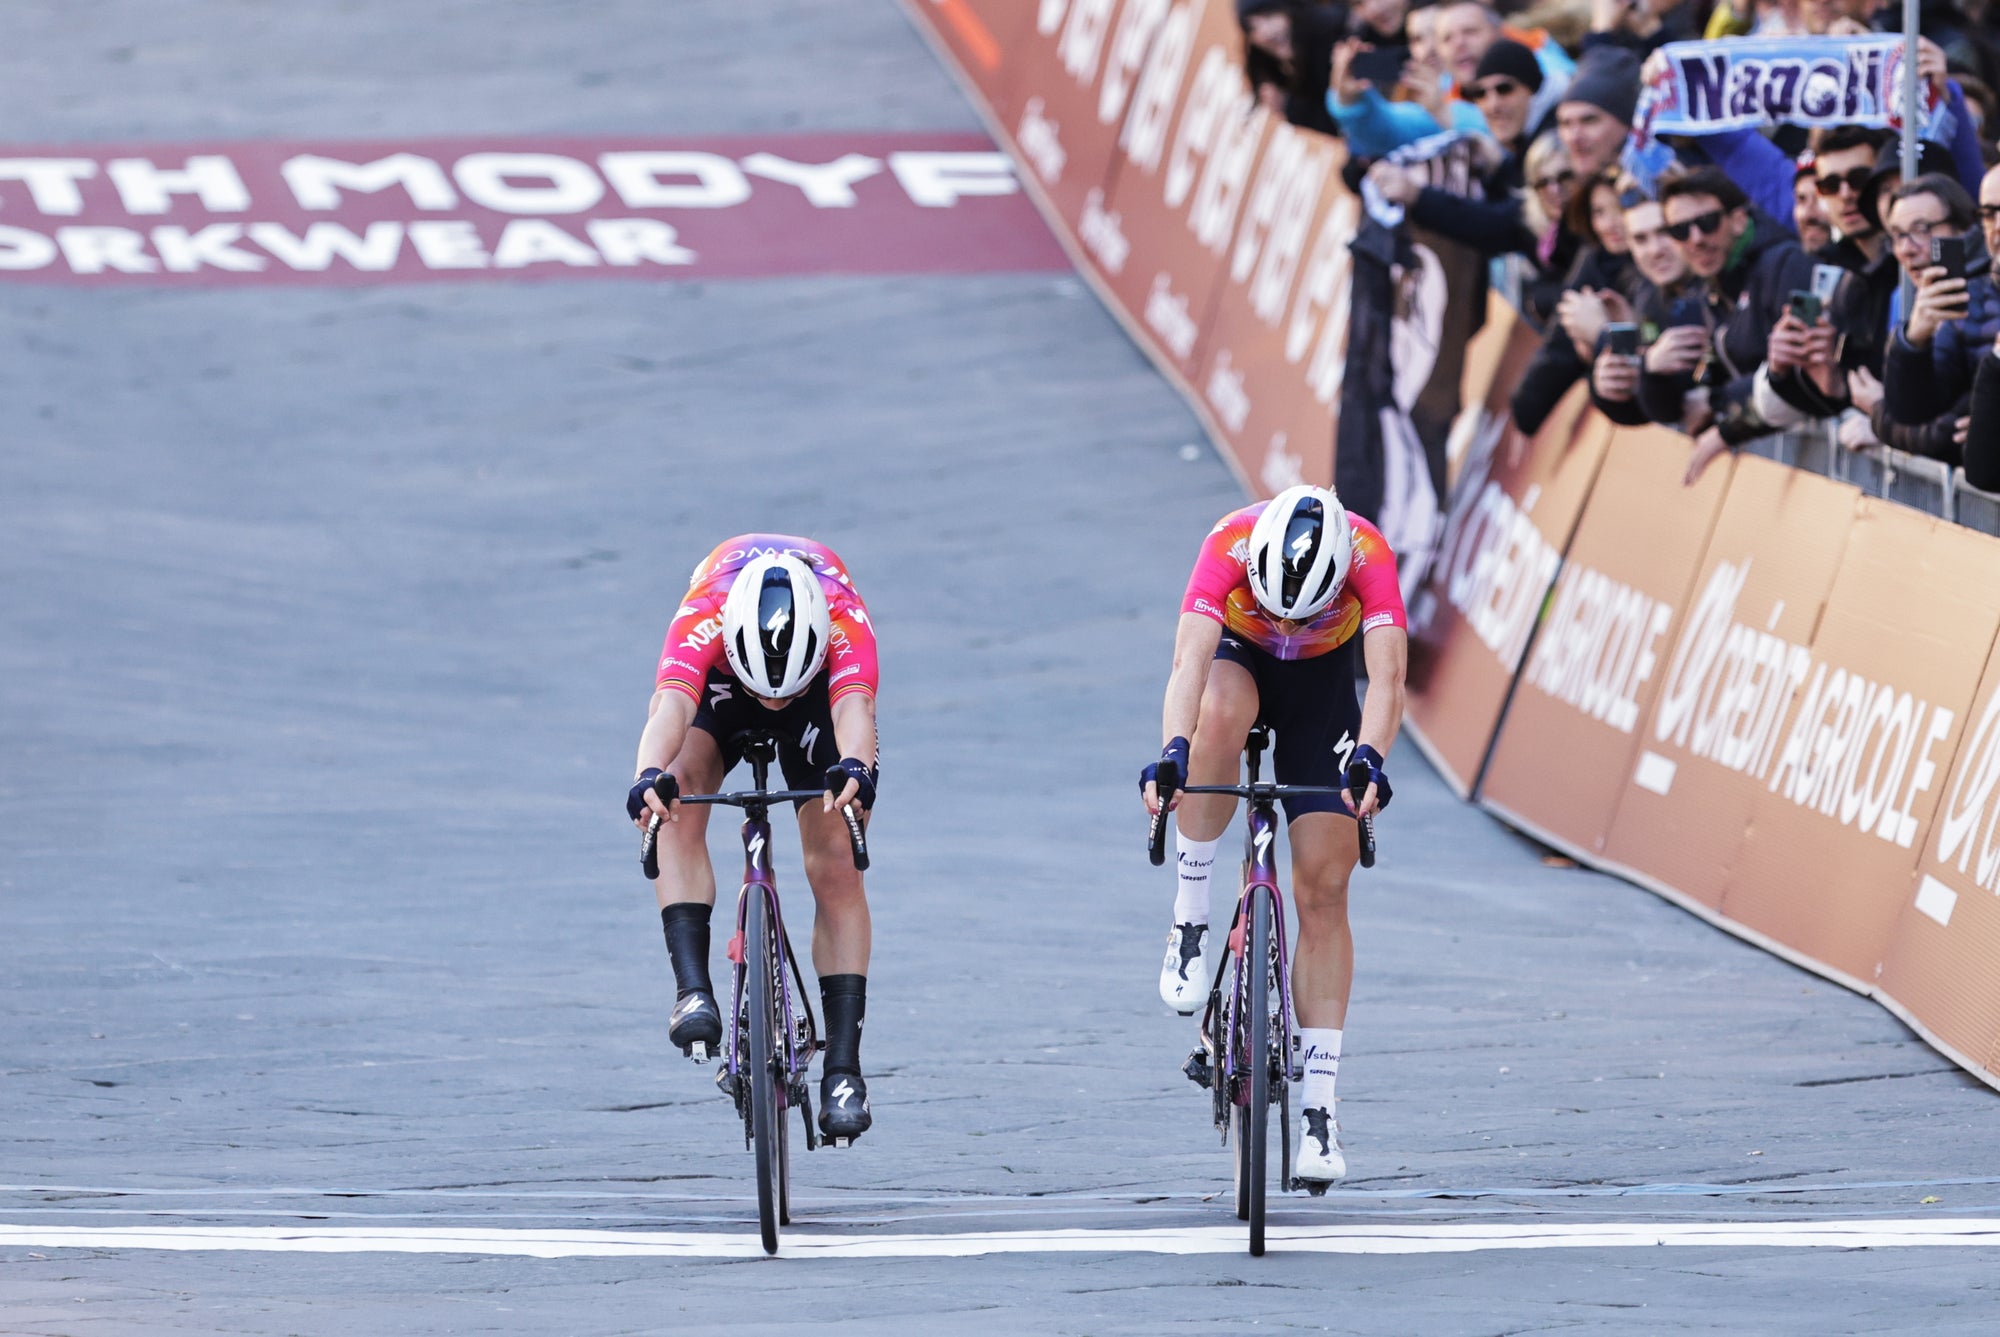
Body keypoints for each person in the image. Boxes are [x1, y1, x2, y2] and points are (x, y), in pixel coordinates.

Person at [1141, 485, 1408, 1187]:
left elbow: (1387, 679)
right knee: (1217, 714)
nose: (1291, 616)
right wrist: (1173, 749)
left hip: (1322, 686)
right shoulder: (1228, 539)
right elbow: (1187, 667)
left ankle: (1319, 1105)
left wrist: (1371, 757)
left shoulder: (1369, 555)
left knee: (1323, 887)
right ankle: (1192, 913)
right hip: (1241, 660)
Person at [629, 537, 881, 1143]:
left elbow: (855, 710)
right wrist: (645, 779)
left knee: (838, 861)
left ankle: (843, 1068)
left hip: (816, 704)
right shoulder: (704, 615)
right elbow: (669, 706)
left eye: (782, 692)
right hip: (721, 690)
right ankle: (693, 990)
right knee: (677, 798)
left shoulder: (846, 622)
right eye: (767, 691)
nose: (773, 703)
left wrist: (855, 771)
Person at [1636, 167, 1823, 482]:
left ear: (1737, 220)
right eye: (1680, 231)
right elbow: (1678, 407)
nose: (1695, 239)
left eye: (1706, 223)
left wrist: (1719, 408)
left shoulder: (1786, 264)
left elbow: (1800, 372)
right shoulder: (1707, 287)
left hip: (1815, 464)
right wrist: (1652, 371)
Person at [1879, 172, 1996, 456]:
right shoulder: (1965, 303)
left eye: (1923, 229)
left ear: (1965, 231)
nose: (1908, 249)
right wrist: (1912, 341)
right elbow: (1921, 414)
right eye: (1898, 235)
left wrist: (1872, 410)